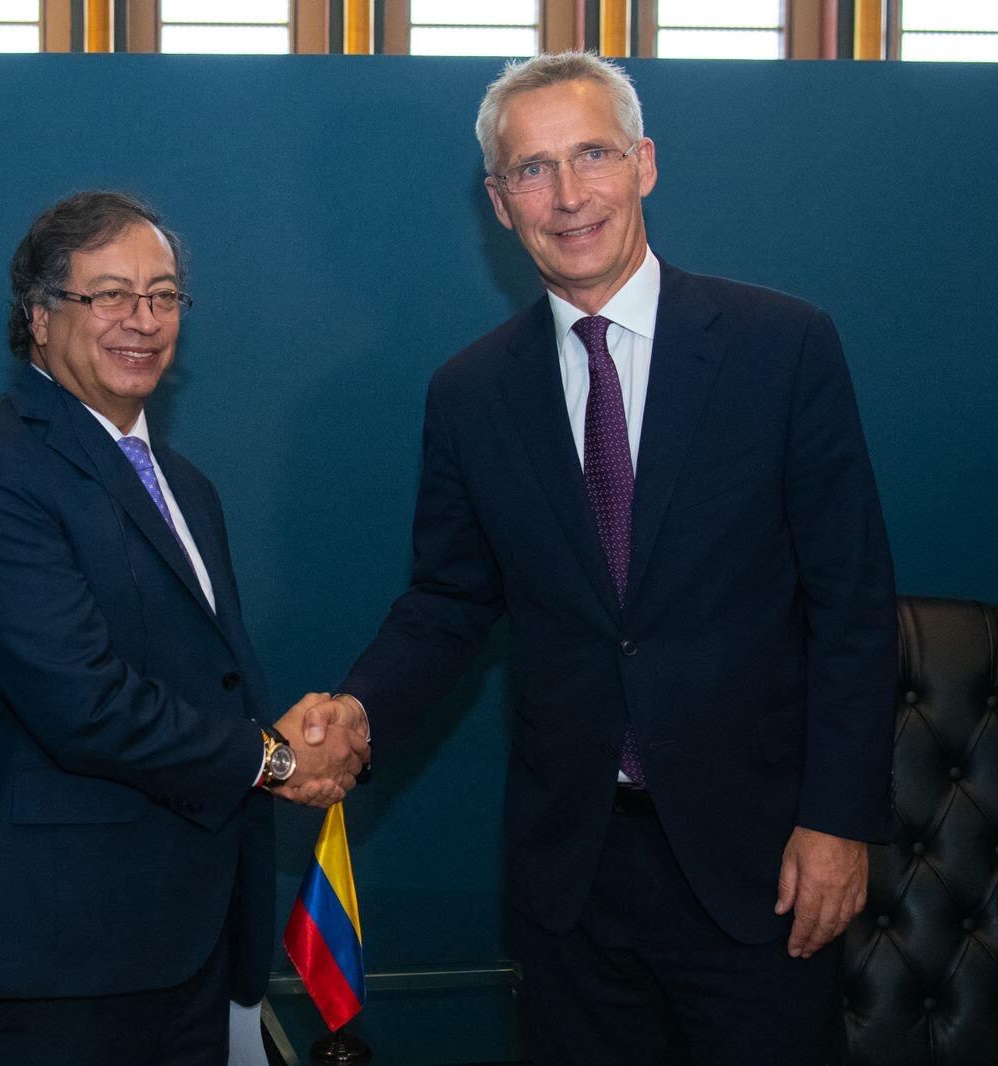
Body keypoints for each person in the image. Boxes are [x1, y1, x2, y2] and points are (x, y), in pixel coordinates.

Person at [319, 53, 897, 1064]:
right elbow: (450, 602)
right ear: (499, 203)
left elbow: (850, 601)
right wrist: (358, 711)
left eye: (591, 154)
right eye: (532, 171)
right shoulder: (469, 394)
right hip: (572, 876)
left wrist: (838, 818)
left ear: (644, 164)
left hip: (759, 864)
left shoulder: (780, 347)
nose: (569, 193)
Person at [0, 190, 369, 1066]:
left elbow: (215, 680)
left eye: (164, 296)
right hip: (63, 963)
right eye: (111, 295)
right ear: (41, 318)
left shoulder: (185, 485)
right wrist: (276, 758)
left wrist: (309, 732)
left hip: (191, 943)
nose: (144, 320)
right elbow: (82, 704)